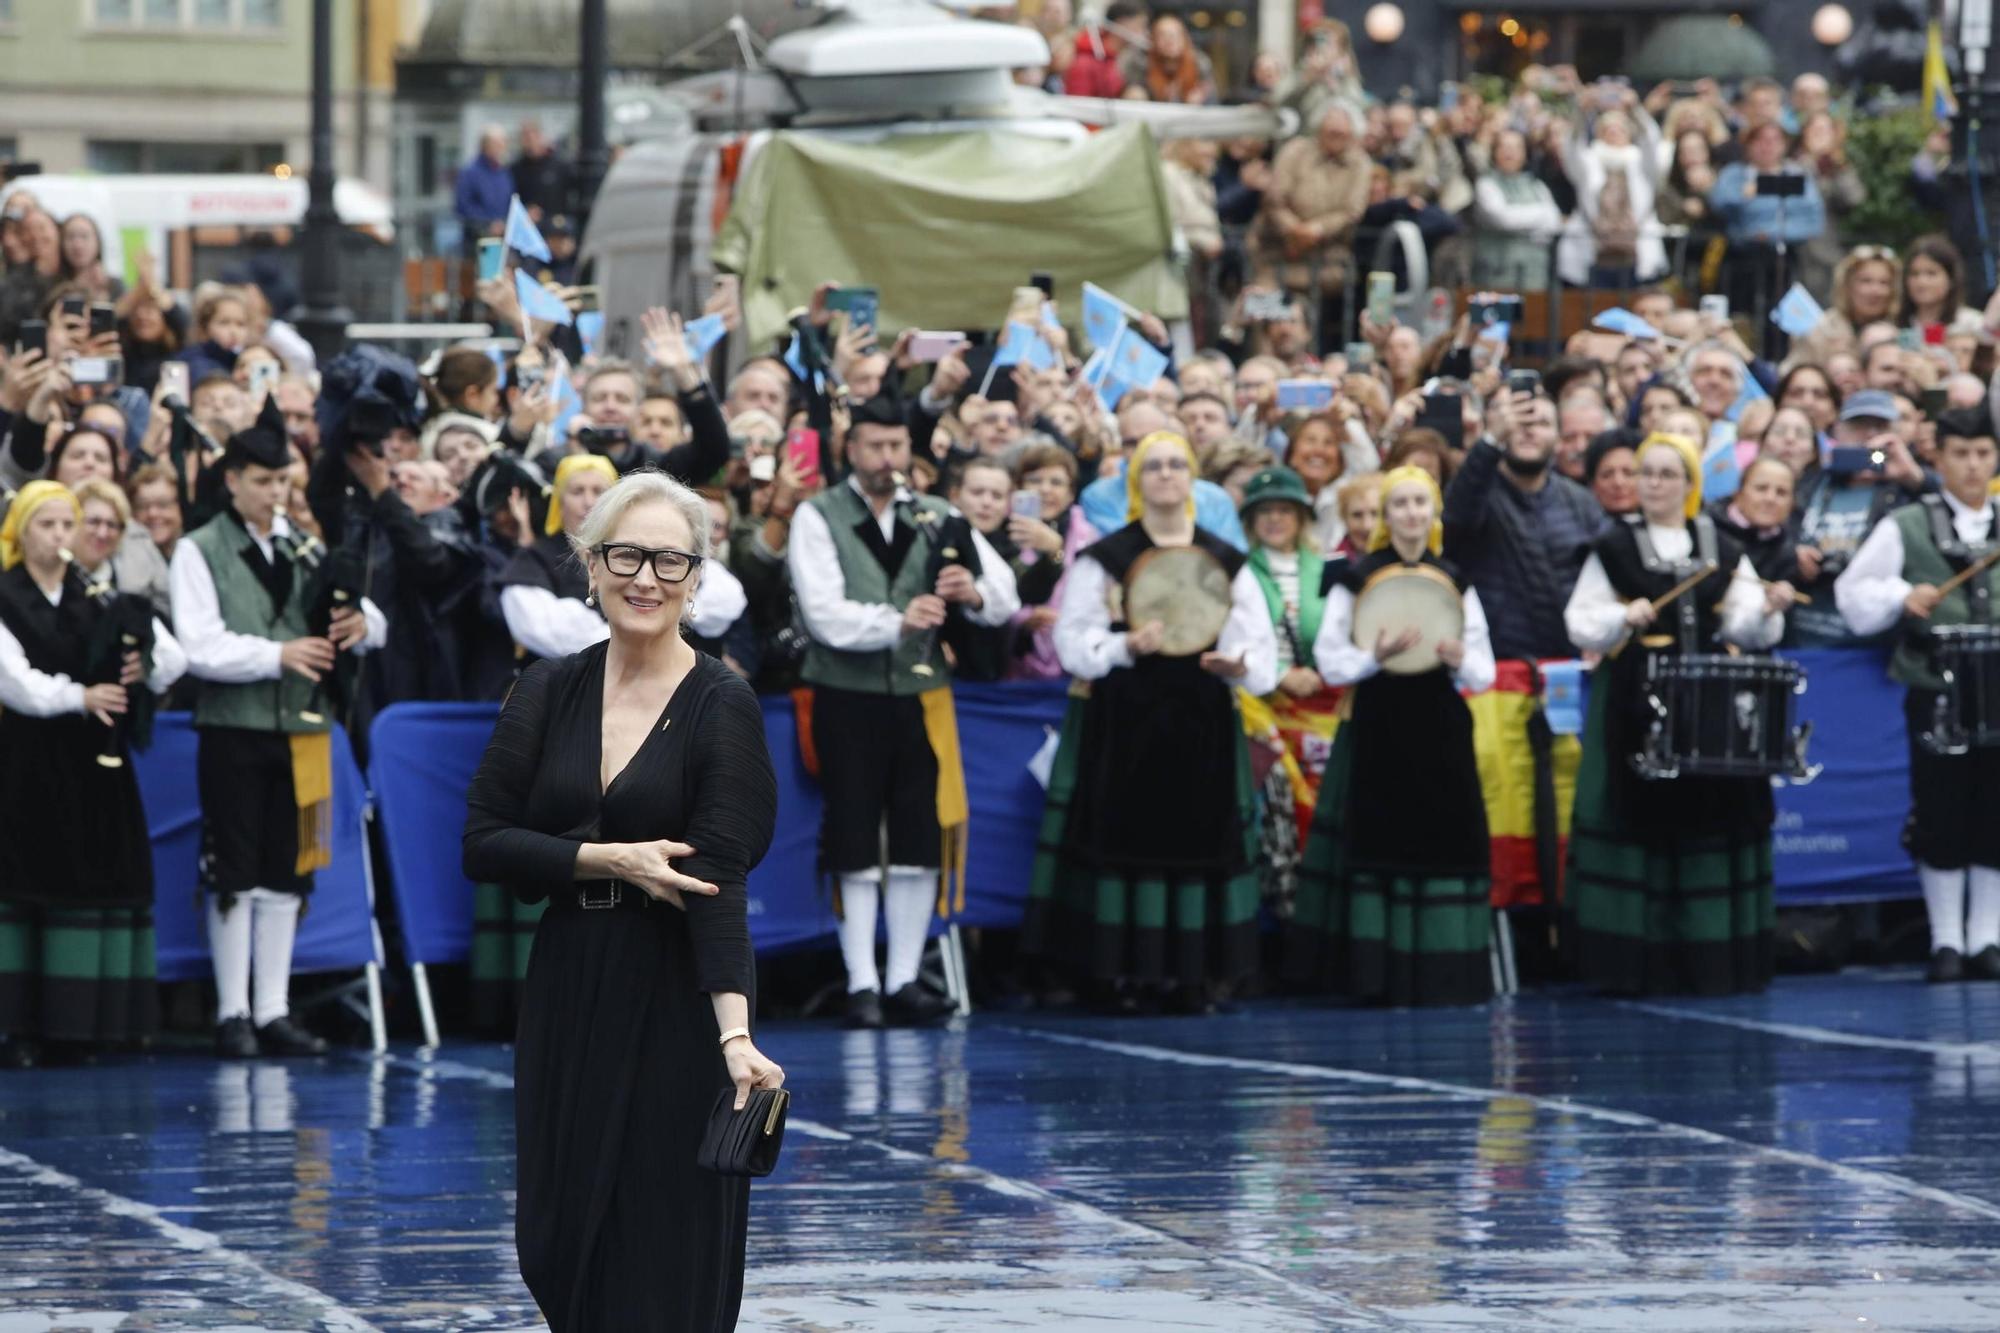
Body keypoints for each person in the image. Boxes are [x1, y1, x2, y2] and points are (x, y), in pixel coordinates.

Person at [462, 469, 783, 1332]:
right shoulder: (548, 687)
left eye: (669, 561)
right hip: (569, 980)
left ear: (695, 578)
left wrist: (736, 1035)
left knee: (662, 1236)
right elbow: (484, 842)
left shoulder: (722, 702)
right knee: (556, 1238)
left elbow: (719, 881)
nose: (647, 578)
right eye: (627, 555)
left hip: (675, 993)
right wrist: (608, 858)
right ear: (591, 564)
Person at [1022, 431, 1278, 1014]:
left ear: (1192, 478)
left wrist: (1236, 665)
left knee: (1198, 844)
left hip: (1202, 718)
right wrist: (1123, 647)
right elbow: (1072, 642)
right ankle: (1124, 976)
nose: (1166, 475)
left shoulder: (1223, 559)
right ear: (1137, 479)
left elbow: (1261, 654)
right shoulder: (1107, 557)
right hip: (1127, 719)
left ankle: (1194, 976)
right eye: (1154, 466)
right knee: (1125, 843)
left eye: (1176, 465)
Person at [787, 393, 1020, 1028]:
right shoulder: (819, 514)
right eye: (873, 445)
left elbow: (1004, 594)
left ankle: (904, 977)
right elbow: (823, 613)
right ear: (850, 449)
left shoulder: (938, 514)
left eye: (896, 446)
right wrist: (898, 620)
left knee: (920, 834)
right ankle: (861, 980)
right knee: (854, 833)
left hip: (922, 694)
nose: (887, 458)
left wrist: (972, 592)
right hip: (844, 691)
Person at [169, 412, 387, 1058]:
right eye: (263, 479)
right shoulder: (198, 546)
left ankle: (273, 1008)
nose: (276, 492)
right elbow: (198, 644)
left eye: (283, 479)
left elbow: (371, 616)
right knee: (233, 867)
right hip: (233, 728)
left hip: (305, 726)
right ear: (232, 479)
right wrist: (278, 654)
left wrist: (359, 625)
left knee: (290, 869)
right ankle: (232, 1011)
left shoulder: (303, 543)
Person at [1563, 433, 1790, 996]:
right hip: (1638, 699)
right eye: (1647, 474)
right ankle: (1642, 962)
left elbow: (1742, 625)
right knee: (1644, 812)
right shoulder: (1613, 546)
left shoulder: (1720, 544)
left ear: (1690, 486)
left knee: (1713, 815)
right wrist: (1621, 617)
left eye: (1667, 474)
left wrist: (1765, 608)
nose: (1654, 484)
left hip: (1708, 700)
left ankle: (1711, 959)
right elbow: (1579, 622)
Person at [1286, 466, 1496, 1005]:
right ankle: (1375, 976)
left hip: (1439, 727)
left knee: (1444, 842)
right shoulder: (1356, 578)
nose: (1410, 514)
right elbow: (1331, 661)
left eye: (1419, 504)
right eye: (1399, 504)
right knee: (1378, 841)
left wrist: (1459, 658)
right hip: (1379, 723)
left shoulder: (1454, 577)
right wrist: (1372, 657)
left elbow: (1485, 671)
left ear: (1433, 513)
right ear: (1385, 514)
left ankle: (1443, 973)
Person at [0, 482, 185, 1066]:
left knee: (91, 883)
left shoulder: (96, 595)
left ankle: (86, 1027)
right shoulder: (5, 594)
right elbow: (17, 683)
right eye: (45, 525)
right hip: (25, 763)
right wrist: (80, 696)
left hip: (94, 766)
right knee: (26, 886)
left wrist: (142, 661)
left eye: (65, 526)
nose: (59, 537)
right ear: (21, 531)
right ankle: (20, 1029)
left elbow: (171, 660)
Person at [1834, 407, 2000, 983]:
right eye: (1961, 454)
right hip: (1938, 687)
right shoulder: (1908, 522)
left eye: (1983, 453)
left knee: (1994, 811)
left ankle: (1987, 937)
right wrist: (1902, 595)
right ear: (1938, 458)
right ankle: (1945, 940)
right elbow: (1852, 595)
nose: (1973, 465)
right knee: (1941, 809)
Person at [1444, 389, 1606, 907]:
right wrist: (1489, 441)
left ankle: (1570, 917)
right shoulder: (1479, 495)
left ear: (1559, 437)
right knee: (1506, 812)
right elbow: (1456, 518)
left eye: (1539, 422)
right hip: (1499, 685)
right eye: (1518, 423)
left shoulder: (1581, 503)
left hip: (1568, 684)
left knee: (1566, 811)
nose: (1528, 431)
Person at [498, 454, 616, 662]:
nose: (589, 502)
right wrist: (623, 643)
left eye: (599, 492)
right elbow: (538, 627)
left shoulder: (636, 555)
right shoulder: (534, 558)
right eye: (577, 491)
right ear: (559, 502)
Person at [455, 126, 514, 240]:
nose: (501, 149)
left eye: (503, 144)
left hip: (503, 237)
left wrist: (504, 223)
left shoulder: (505, 172)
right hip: (476, 239)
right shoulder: (470, 173)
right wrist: (489, 224)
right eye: (496, 144)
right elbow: (463, 206)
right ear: (484, 146)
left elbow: (510, 202)